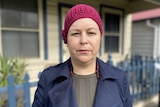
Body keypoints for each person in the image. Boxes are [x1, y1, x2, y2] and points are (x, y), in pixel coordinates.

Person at [32, 4, 132, 107]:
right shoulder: (48, 78)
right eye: (76, 33)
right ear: (66, 39)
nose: (83, 41)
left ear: (100, 37)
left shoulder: (119, 78)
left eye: (91, 33)